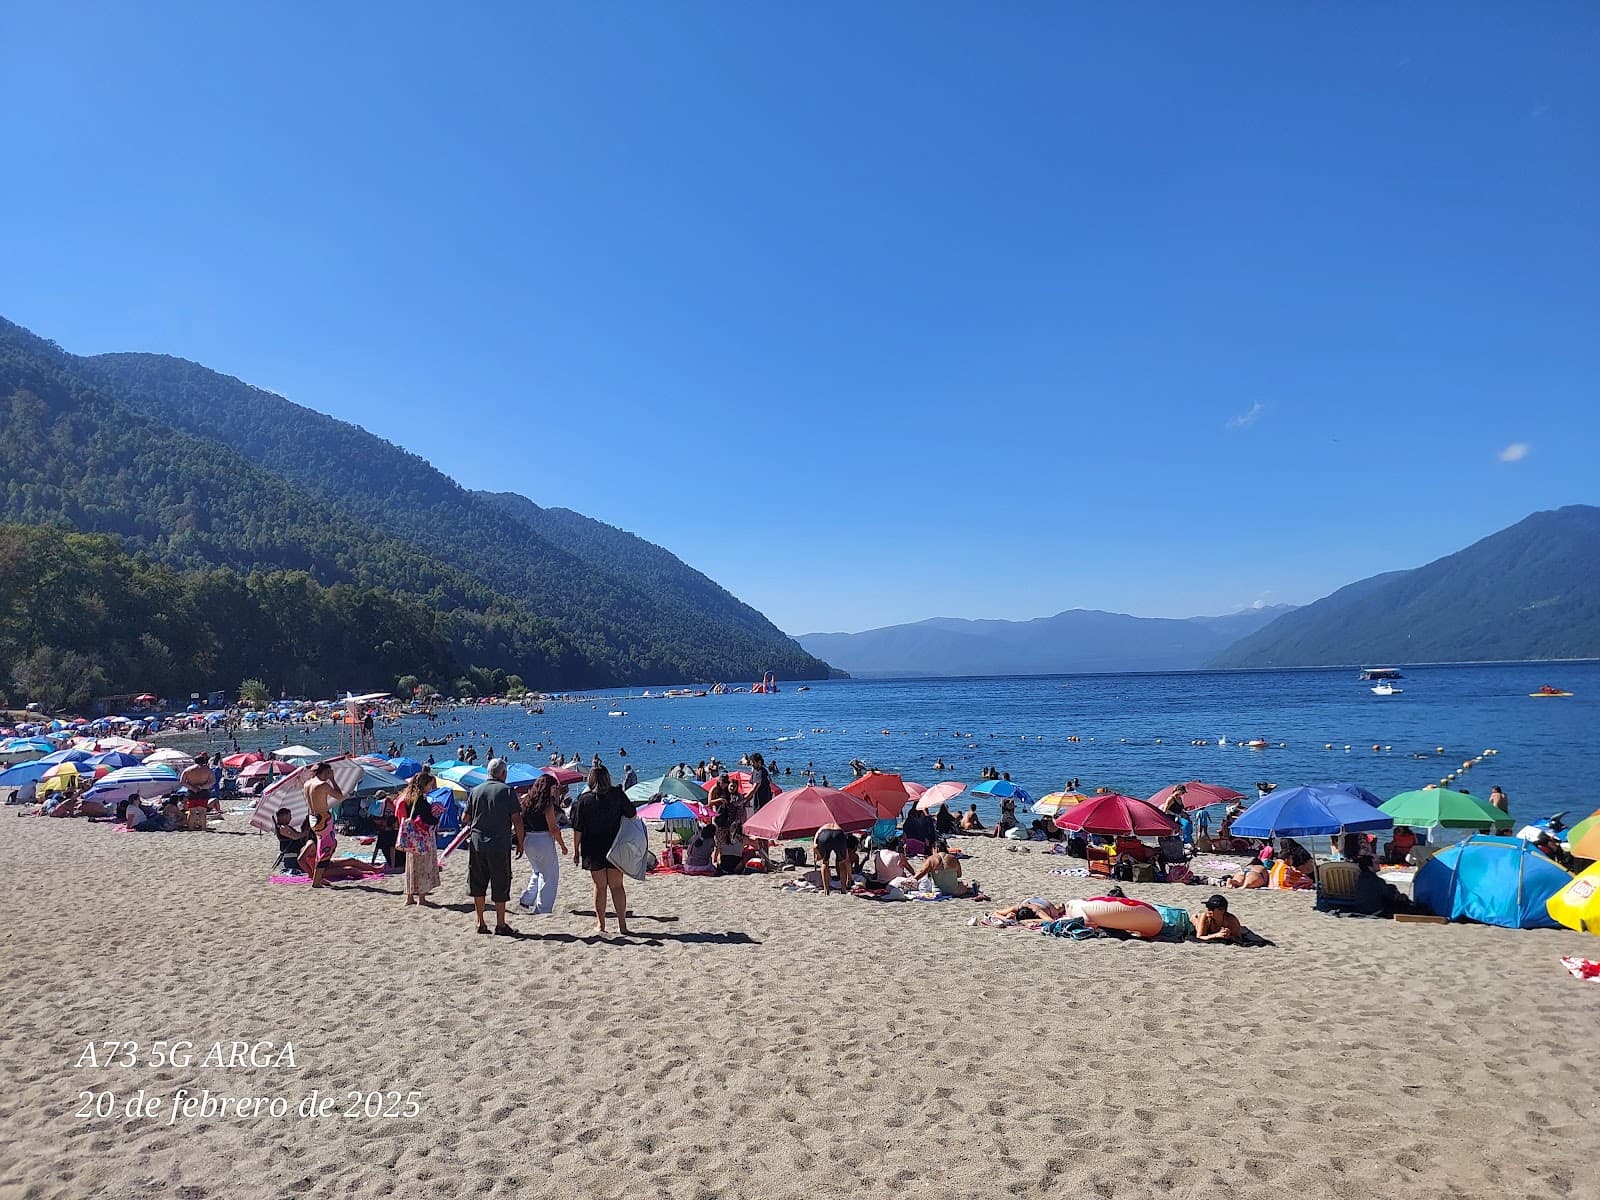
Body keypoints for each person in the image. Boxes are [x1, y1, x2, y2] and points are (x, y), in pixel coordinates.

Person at [570, 763, 637, 935]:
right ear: (608, 778)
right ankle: (622, 925)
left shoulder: (584, 800)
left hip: (592, 848)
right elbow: (632, 814)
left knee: (599, 887)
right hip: (615, 846)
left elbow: (577, 828)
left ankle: (601, 925)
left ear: (591, 779)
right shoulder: (617, 794)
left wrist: (576, 850)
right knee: (617, 886)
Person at [464, 759, 524, 935]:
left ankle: (480, 922)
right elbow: (517, 820)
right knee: (500, 882)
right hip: (499, 843)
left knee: (477, 882)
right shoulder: (507, 791)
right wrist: (521, 842)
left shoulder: (475, 791)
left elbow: (465, 818)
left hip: (477, 843)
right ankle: (500, 924)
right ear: (503, 773)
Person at [518, 774, 568, 915]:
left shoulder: (526, 801)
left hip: (529, 839)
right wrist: (562, 845)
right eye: (554, 788)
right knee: (549, 875)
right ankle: (543, 908)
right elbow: (553, 829)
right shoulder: (547, 804)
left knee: (537, 870)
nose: (555, 790)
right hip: (543, 839)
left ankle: (527, 898)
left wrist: (521, 843)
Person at [303, 762, 344, 888]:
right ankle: (316, 881)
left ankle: (318, 878)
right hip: (323, 819)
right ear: (325, 772)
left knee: (321, 848)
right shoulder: (323, 785)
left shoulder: (307, 784)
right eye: (328, 772)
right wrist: (333, 780)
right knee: (326, 850)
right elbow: (340, 796)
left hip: (313, 818)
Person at [397, 788, 441, 905]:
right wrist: (436, 820)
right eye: (430, 784)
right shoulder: (420, 798)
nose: (430, 787)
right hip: (421, 835)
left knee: (411, 866)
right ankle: (421, 898)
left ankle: (409, 897)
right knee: (423, 865)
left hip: (411, 837)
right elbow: (425, 817)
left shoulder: (408, 796)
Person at [813, 822, 858, 896]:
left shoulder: (821, 829)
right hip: (839, 834)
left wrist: (818, 856)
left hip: (825, 835)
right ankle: (843, 889)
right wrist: (849, 878)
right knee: (842, 862)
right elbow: (847, 861)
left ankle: (826, 891)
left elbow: (815, 846)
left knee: (825, 863)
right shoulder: (839, 826)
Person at [180, 754, 214, 831]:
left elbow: (182, 782)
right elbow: (212, 781)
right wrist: (203, 787)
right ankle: (203, 828)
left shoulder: (188, 770)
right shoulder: (208, 770)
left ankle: (190, 828)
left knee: (192, 812)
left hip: (192, 791)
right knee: (203, 812)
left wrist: (192, 787)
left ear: (194, 761)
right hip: (203, 791)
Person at [274, 807, 311, 873]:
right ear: (283, 816)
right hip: (291, 855)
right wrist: (306, 833)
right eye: (289, 816)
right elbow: (295, 837)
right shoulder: (282, 828)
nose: (291, 818)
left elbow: (296, 835)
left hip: (294, 854)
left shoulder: (285, 827)